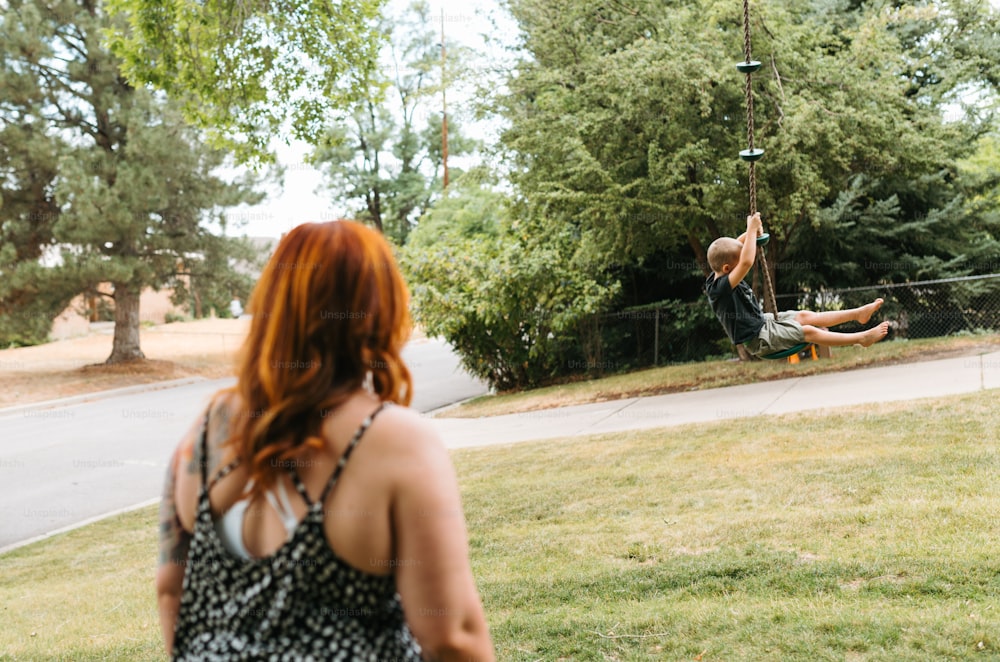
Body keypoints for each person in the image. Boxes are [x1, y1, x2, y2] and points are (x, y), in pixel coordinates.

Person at [156, 220, 495, 661]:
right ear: (381, 309)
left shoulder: (206, 430)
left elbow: (170, 592)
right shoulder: (394, 439)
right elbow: (452, 636)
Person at [706, 212, 890, 357]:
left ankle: (858, 314)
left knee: (805, 315)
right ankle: (861, 338)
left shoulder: (721, 270)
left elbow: (736, 246)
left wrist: (750, 232)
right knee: (809, 331)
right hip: (759, 339)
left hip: (763, 321)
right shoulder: (719, 288)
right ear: (728, 268)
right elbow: (746, 261)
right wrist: (752, 229)